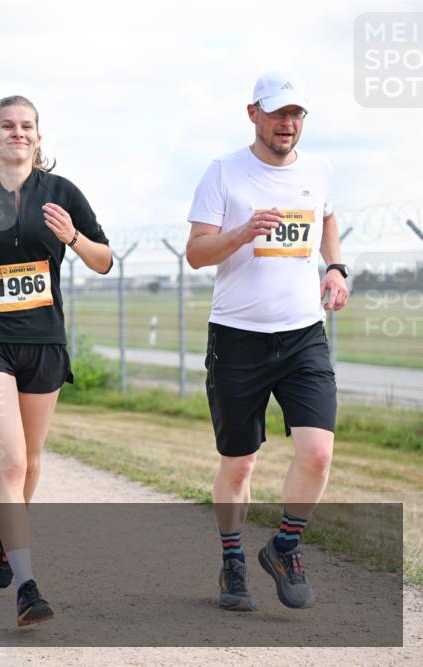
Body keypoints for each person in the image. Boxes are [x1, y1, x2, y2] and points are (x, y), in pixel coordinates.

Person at [0, 95, 112, 627]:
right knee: (10, 461)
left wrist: (72, 237)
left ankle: (3, 536)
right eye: (7, 126)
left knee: (31, 463)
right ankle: (27, 587)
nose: (17, 132)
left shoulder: (62, 193)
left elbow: (104, 260)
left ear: (38, 136)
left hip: (43, 340)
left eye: (26, 125)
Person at [185, 71, 347, 613]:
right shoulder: (224, 172)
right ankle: (233, 558)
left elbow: (327, 216)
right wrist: (243, 233)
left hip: (303, 335)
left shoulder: (319, 170)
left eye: (296, 114)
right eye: (278, 113)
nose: (287, 123)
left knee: (318, 452)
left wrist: (336, 267)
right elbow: (196, 253)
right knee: (239, 464)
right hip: (238, 338)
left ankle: (285, 547)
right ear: (253, 113)